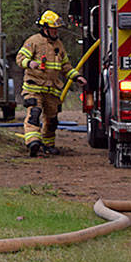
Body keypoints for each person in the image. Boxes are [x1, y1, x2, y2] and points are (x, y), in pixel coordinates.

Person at [15, 9, 85, 157]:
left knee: (52, 120)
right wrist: (30, 63)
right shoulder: (33, 41)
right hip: (34, 86)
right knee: (34, 113)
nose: (55, 32)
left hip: (52, 90)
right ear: (45, 28)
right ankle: (33, 142)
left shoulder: (58, 45)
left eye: (56, 29)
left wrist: (77, 77)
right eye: (53, 29)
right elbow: (20, 58)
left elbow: (66, 66)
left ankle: (48, 144)